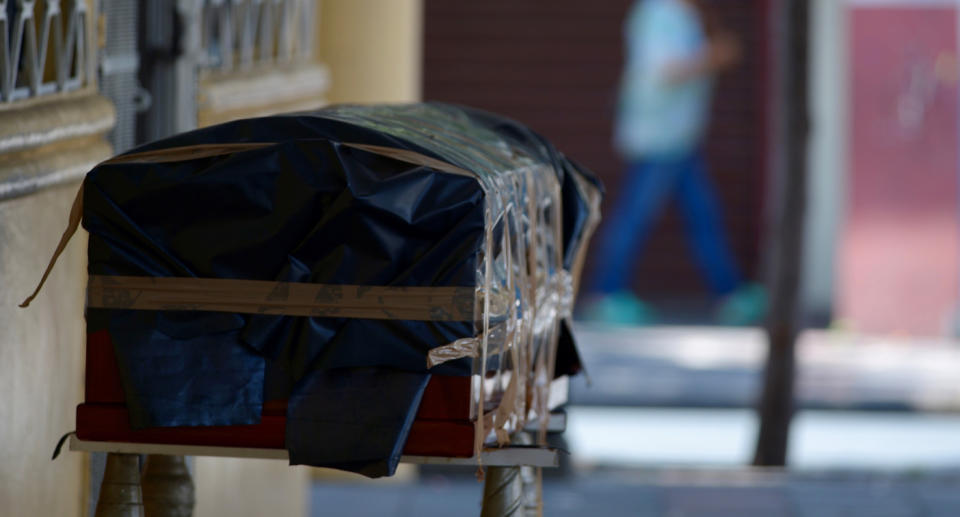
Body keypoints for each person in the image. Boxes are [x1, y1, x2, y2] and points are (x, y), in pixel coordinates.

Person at [586, 0, 765, 325]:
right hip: (659, 137)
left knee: (702, 215)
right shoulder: (657, 14)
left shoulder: (684, 13)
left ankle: (730, 292)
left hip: (679, 136)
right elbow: (664, 70)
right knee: (637, 217)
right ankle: (606, 294)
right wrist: (714, 56)